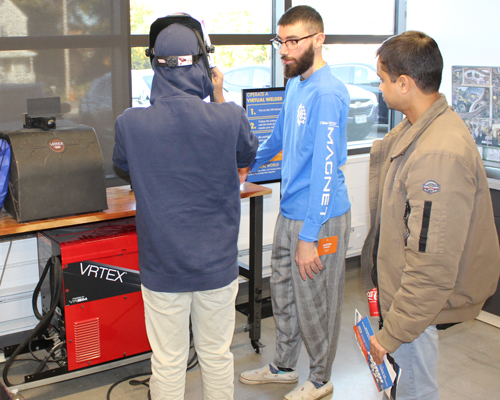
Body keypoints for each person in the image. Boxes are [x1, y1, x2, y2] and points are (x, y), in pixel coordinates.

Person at [112, 17, 258, 400]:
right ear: (201, 65)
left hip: (163, 268)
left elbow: (125, 165)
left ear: (154, 64)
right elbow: (245, 154)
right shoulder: (229, 116)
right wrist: (218, 91)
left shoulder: (131, 123)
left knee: (168, 361)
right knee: (216, 355)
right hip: (217, 265)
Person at [360, 31, 500, 400]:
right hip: (402, 298)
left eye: (382, 78)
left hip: (413, 309)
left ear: (404, 83)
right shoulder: (417, 130)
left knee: (415, 389)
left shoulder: (439, 154)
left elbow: (432, 265)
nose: (379, 86)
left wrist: (392, 333)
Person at [239, 5, 351, 400]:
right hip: (291, 211)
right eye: (280, 41)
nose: (283, 50)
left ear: (318, 39)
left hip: (319, 218)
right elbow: (279, 138)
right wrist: (247, 169)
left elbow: (324, 169)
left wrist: (309, 235)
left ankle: (321, 378)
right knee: (284, 292)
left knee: (317, 301)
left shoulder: (327, 92)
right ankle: (284, 366)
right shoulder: (295, 84)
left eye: (292, 41)